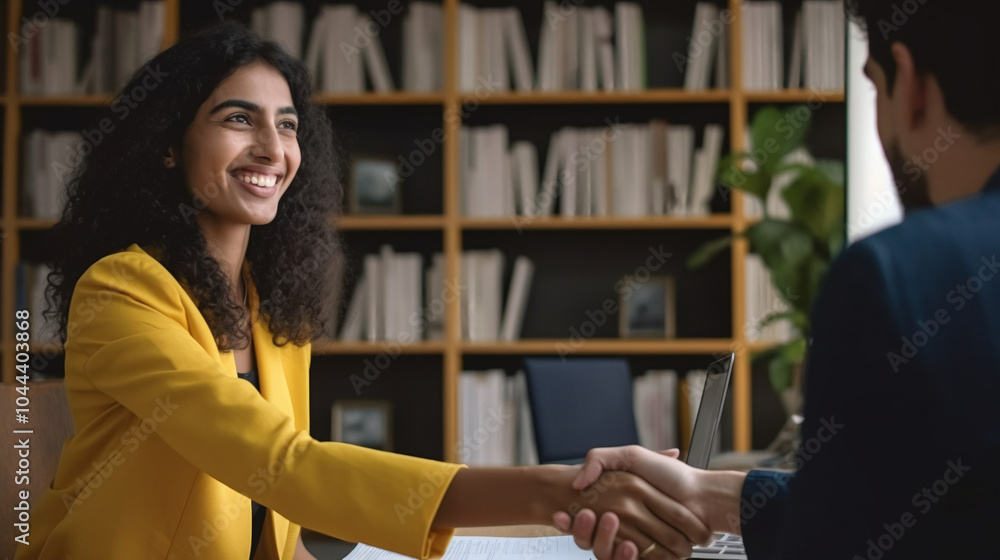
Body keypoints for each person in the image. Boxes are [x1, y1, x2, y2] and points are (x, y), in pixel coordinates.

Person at [14, 22, 715, 560]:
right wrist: (563, 489)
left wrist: (575, 503)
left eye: (286, 125)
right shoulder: (122, 292)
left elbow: (281, 516)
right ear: (167, 145)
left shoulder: (271, 305)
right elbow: (280, 466)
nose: (272, 148)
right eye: (238, 119)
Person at [556, 0, 1000, 558]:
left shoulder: (897, 277)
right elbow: (913, 514)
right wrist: (701, 493)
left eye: (873, 86)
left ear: (908, 85)